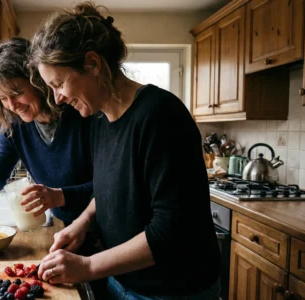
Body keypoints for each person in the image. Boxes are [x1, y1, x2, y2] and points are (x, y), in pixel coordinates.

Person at [29, 2, 221, 299]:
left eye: (59, 84)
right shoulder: (99, 120)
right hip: (122, 282)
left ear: (92, 64)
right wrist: (81, 224)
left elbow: (169, 233)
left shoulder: (161, 115)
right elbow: (108, 190)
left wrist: (88, 265)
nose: (57, 99)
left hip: (173, 291)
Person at [0, 37, 94, 230]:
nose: (12, 106)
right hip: (65, 225)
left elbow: (108, 184)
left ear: (38, 81)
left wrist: (59, 196)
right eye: (3, 98)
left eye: (16, 93)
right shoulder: (15, 127)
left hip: (103, 225)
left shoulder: (81, 112)